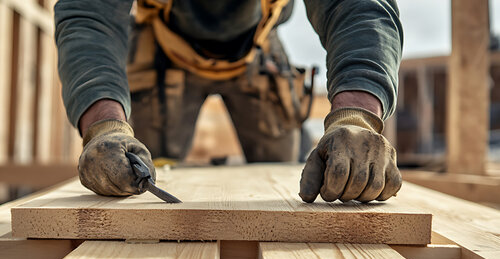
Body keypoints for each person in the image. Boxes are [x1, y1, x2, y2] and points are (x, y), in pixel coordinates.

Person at [54, 0, 403, 202]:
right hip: (163, 46)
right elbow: (90, 15)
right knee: (128, 174)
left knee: (295, 170)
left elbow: (358, 6)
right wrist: (105, 125)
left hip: (255, 48)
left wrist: (357, 116)